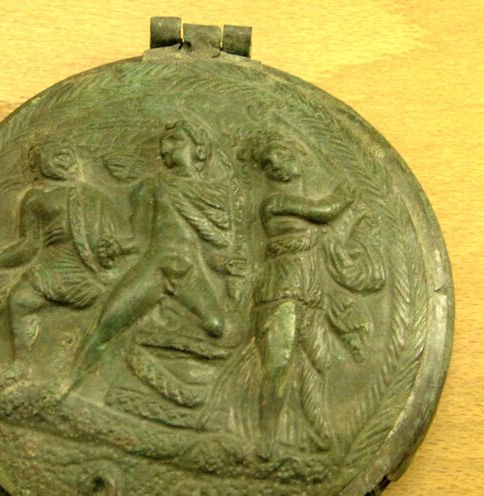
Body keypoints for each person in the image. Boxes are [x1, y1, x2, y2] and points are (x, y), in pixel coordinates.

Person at [251, 129, 385, 459]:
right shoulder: (274, 203)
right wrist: (345, 195)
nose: (276, 164)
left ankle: (318, 433)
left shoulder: (302, 201)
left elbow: (327, 221)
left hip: (309, 288)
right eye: (269, 162)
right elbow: (324, 211)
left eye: (281, 154)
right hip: (281, 288)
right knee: (279, 362)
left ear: (298, 157)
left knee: (316, 362)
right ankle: (266, 440)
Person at [75, 119, 234, 375]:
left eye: (175, 141)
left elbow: (217, 245)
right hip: (156, 267)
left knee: (216, 326)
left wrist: (227, 264)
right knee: (104, 328)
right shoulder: (151, 187)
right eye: (163, 143)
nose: (165, 149)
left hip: (189, 271)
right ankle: (66, 386)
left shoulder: (217, 195)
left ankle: (158, 334)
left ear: (200, 149)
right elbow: (139, 238)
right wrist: (117, 247)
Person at [0, 138, 124, 393]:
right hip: (50, 272)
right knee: (20, 300)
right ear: (39, 163)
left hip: (88, 273)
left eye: (66, 154)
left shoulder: (94, 198)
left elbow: (114, 242)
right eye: (55, 154)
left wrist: (109, 257)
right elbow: (29, 247)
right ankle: (21, 366)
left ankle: (103, 370)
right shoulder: (35, 199)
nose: (63, 159)